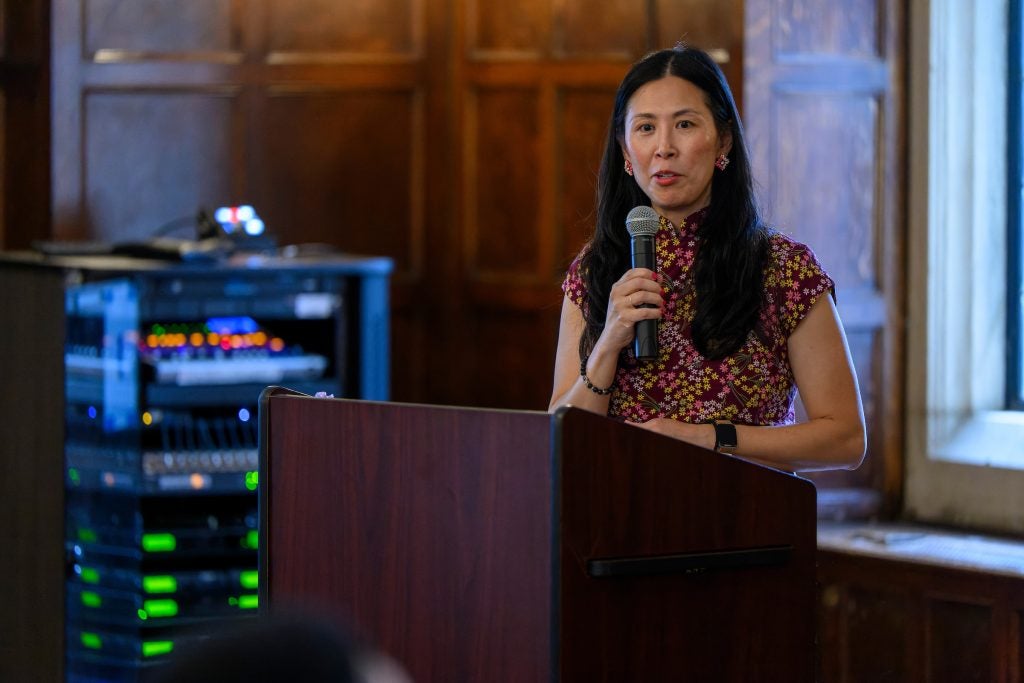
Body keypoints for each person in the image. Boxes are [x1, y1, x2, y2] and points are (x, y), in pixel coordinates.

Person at [549, 45, 865, 472]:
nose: (664, 147)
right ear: (626, 151)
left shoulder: (783, 269)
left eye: (684, 124)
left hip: (745, 519)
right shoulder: (596, 269)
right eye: (645, 128)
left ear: (724, 140)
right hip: (619, 519)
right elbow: (561, 438)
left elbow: (845, 439)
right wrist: (608, 343)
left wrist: (710, 438)